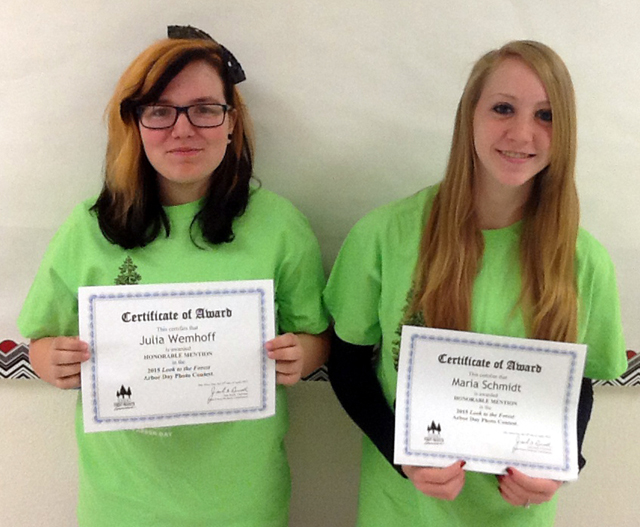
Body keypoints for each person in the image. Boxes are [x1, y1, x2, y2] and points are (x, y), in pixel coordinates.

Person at [18, 26, 329, 527]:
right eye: (160, 111)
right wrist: (50, 360)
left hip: (242, 500)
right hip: (122, 504)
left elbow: (315, 336)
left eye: (205, 109)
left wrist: (302, 355)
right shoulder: (88, 228)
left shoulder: (279, 226)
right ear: (135, 123)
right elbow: (40, 341)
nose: (183, 130)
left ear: (231, 123)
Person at [324, 40, 627, 526]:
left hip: (518, 515)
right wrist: (402, 456)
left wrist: (564, 465)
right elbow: (348, 364)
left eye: (546, 115)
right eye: (503, 108)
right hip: (403, 512)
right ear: (470, 116)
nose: (522, 133)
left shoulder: (584, 261)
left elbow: (580, 383)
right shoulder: (383, 236)